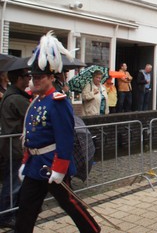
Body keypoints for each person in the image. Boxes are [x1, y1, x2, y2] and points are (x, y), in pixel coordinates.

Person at [15, 31, 100, 233]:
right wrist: (26, 161)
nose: (35, 80)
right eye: (33, 77)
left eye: (40, 77)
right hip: (35, 165)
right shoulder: (36, 101)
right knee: (26, 206)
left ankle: (93, 231)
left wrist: (60, 167)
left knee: (70, 203)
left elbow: (65, 137)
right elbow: (31, 135)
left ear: (51, 77)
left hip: (51, 164)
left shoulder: (58, 102)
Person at [0, 68, 31, 229]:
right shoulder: (17, 98)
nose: (29, 79)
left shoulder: (11, 95)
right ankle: (6, 215)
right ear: (20, 78)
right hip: (15, 147)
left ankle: (9, 212)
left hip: (11, 146)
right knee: (13, 182)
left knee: (12, 180)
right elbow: (33, 115)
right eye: (27, 76)